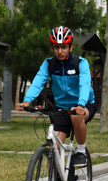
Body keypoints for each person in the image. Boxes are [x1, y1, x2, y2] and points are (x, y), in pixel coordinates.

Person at [17, 26, 97, 171]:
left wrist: (81, 104)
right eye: (56, 47)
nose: (60, 51)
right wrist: (27, 100)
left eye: (64, 47)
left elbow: (84, 85)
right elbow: (38, 82)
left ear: (71, 47)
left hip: (84, 104)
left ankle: (80, 152)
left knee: (76, 117)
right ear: (52, 47)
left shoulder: (80, 63)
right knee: (54, 148)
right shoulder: (49, 64)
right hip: (61, 108)